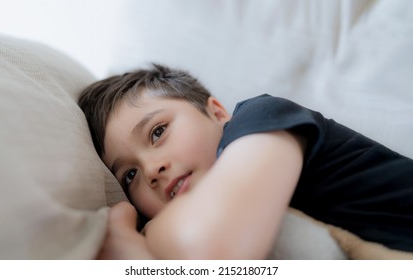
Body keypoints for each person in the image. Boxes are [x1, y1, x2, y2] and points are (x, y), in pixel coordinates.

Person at [78, 64, 413, 259]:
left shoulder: (262, 118)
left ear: (217, 112)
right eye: (130, 174)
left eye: (157, 132)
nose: (152, 170)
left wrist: (126, 239)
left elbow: (214, 250)